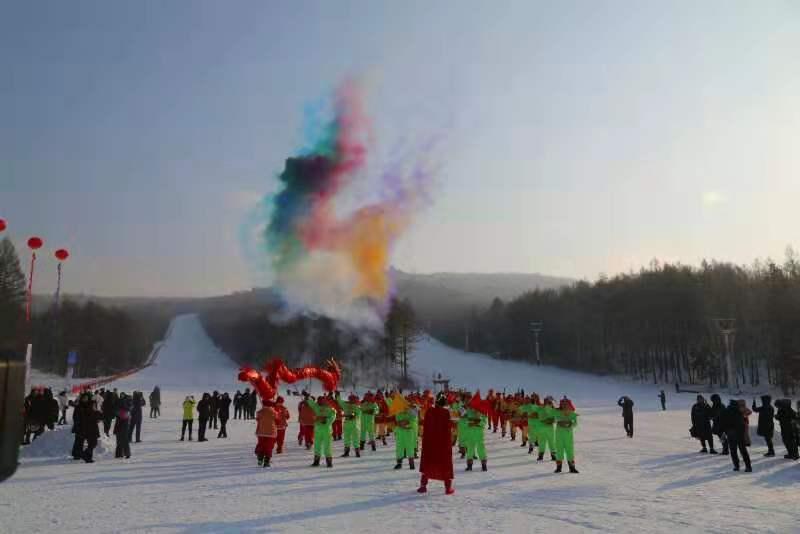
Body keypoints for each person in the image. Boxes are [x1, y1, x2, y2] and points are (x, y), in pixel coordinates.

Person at [418, 394, 455, 495]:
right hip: (442, 444)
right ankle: (448, 488)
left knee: (428, 464)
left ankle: (423, 486)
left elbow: (425, 425)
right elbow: (447, 428)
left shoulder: (429, 411)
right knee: (445, 465)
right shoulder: (446, 412)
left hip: (430, 443)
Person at [721, 399, 752, 472]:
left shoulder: (726, 411)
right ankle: (748, 466)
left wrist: (725, 431)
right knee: (743, 450)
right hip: (739, 433)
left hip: (730, 433)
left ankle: (736, 466)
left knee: (733, 451)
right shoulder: (739, 411)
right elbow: (745, 419)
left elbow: (722, 422)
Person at [306, 395, 336, 467]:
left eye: (322, 400)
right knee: (317, 445)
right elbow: (311, 402)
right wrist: (307, 396)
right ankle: (316, 461)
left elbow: (333, 416)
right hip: (318, 429)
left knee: (327, 445)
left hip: (326, 429)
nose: (320, 402)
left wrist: (326, 420)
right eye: (319, 400)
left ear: (324, 401)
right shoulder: (316, 406)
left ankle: (329, 461)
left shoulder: (330, 408)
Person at [554, 397, 579, 473]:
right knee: (559, 451)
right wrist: (562, 421)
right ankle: (559, 467)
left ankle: (572, 467)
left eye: (567, 405)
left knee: (570, 451)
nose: (565, 407)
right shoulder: (558, 413)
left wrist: (570, 424)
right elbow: (556, 420)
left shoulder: (572, 414)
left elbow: (575, 423)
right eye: (564, 405)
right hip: (559, 435)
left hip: (568, 436)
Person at [76, 392, 103, 463]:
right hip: (87, 428)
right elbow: (82, 417)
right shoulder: (81, 407)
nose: (85, 399)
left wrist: (97, 412)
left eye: (86, 398)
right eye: (84, 398)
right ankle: (86, 456)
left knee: (93, 443)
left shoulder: (91, 405)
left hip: (93, 427)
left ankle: (86, 456)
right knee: (92, 443)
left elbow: (98, 416)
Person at [462, 405, 488, 472]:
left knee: (481, 450)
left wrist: (477, 421)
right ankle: (469, 466)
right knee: (470, 450)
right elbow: (464, 422)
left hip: (479, 435)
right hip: (470, 434)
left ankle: (484, 465)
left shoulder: (482, 413)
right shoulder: (468, 412)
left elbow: (484, 423)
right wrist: (472, 422)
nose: (475, 408)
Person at [255, 399, 278, 467]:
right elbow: (277, 421)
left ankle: (260, 458)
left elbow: (257, 419)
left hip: (261, 432)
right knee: (269, 447)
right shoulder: (274, 412)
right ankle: (267, 461)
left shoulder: (259, 412)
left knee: (261, 445)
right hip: (271, 433)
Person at [536, 396, 557, 462]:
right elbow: (555, 419)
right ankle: (553, 455)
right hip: (549, 428)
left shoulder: (541, 409)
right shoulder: (552, 410)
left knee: (542, 442)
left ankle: (541, 456)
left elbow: (540, 418)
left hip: (542, 428)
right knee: (551, 442)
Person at [114, 393, 132, 459]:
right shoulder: (119, 401)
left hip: (124, 422)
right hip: (119, 422)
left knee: (124, 439)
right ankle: (119, 454)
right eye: (121, 395)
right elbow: (115, 410)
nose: (122, 396)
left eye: (123, 395)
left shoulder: (128, 401)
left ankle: (126, 453)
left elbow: (129, 408)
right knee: (119, 439)